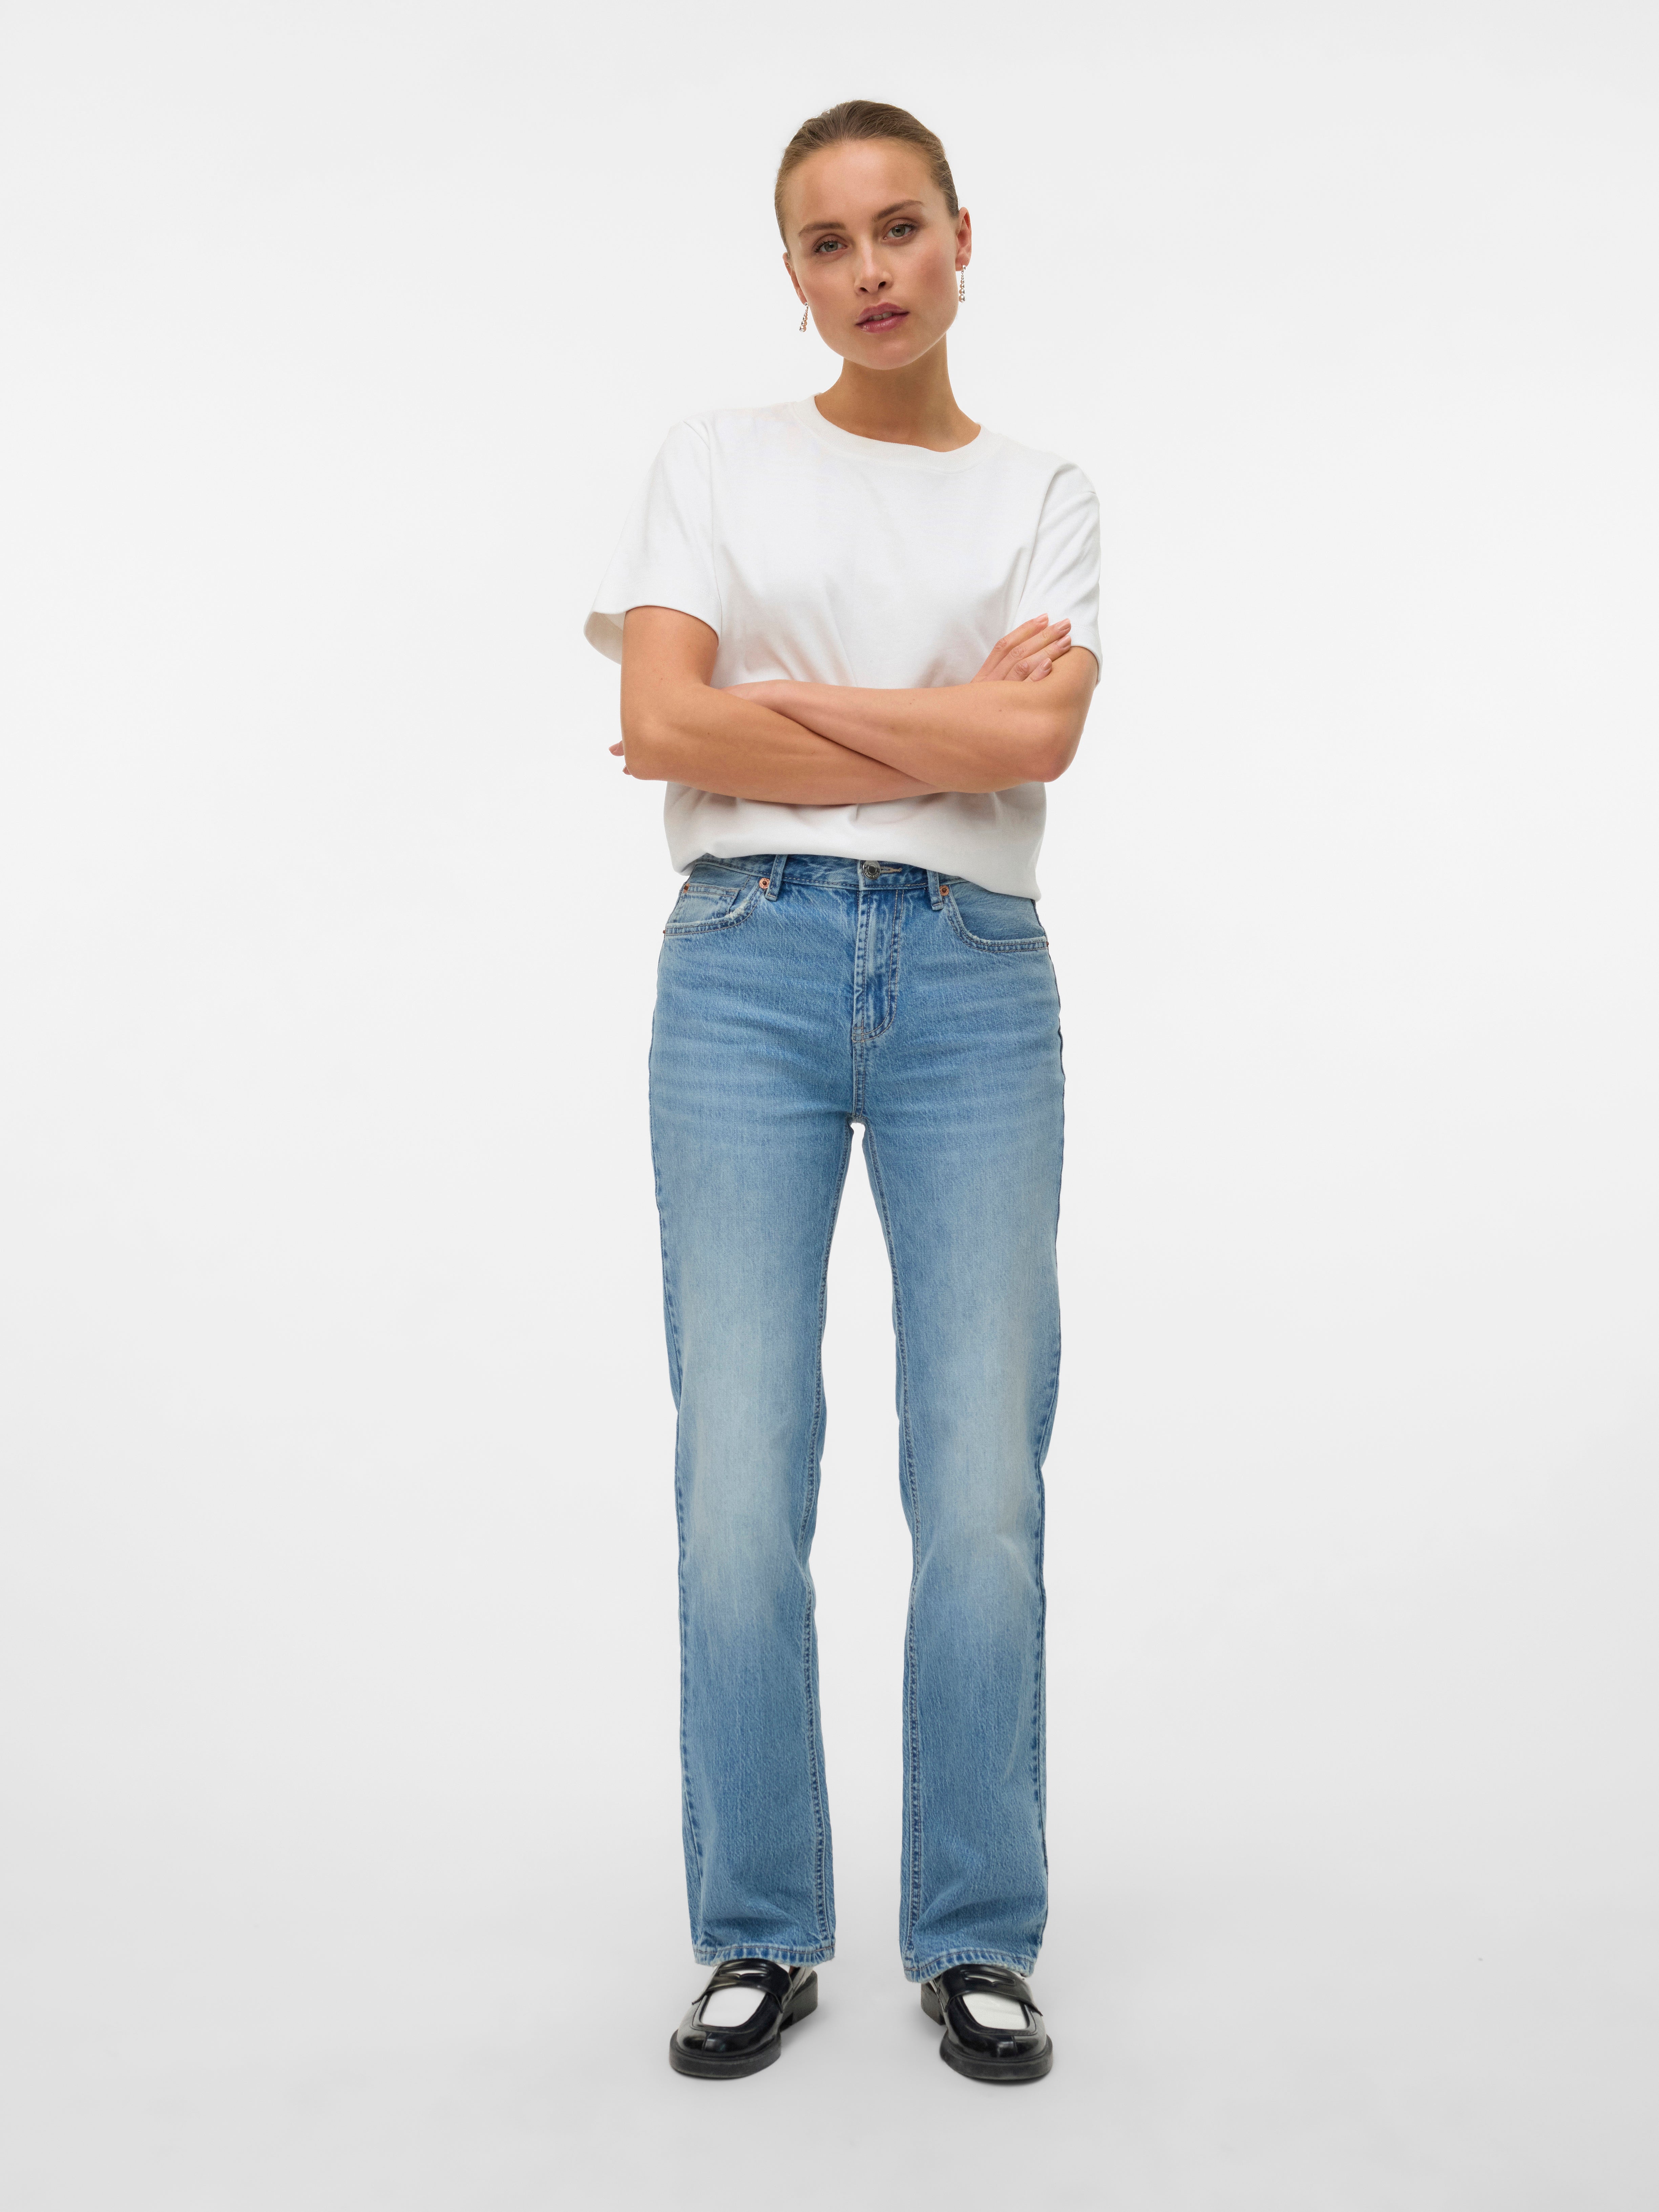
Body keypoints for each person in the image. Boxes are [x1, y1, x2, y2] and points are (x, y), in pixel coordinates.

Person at [585, 99, 1099, 2085]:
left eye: (901, 228)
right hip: (746, 971)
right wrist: (940, 725)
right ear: (792, 275)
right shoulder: (714, 460)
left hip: (974, 980)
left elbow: (1037, 744)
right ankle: (759, 1930)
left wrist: (781, 706)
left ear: (965, 238)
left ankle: (974, 1931)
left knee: (979, 1484)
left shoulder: (1043, 492)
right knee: (739, 1475)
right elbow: (658, 723)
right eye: (828, 242)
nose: (871, 270)